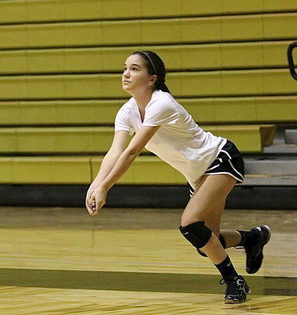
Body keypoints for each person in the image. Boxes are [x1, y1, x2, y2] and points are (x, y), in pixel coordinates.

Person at [85, 50, 271, 304]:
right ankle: (252, 238)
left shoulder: (161, 103)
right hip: (197, 174)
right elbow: (114, 151)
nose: (126, 73)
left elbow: (132, 151)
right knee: (208, 243)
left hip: (219, 159)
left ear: (152, 78)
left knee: (190, 224)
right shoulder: (126, 111)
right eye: (125, 68)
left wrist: (106, 186)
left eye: (134, 68)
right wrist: (95, 184)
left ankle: (234, 282)